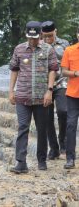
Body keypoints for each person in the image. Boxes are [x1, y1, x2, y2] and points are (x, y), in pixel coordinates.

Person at [9, 21, 58, 173]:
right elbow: (14, 70)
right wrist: (11, 90)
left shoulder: (48, 49)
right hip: (22, 96)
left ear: (40, 35)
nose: (33, 41)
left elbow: (52, 70)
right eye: (30, 38)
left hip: (41, 97)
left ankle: (42, 160)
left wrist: (49, 90)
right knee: (23, 127)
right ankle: (21, 162)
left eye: (35, 38)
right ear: (26, 35)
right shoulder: (19, 49)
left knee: (42, 129)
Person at [41, 21, 69, 159]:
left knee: (63, 111)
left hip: (61, 83)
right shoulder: (38, 45)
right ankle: (54, 148)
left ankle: (63, 142)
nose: (47, 39)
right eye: (45, 36)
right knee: (46, 118)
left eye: (50, 36)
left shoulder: (64, 44)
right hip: (44, 85)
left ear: (55, 32)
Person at [61, 28, 79, 169]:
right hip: (73, 94)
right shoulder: (69, 50)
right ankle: (70, 158)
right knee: (71, 125)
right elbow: (64, 71)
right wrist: (76, 73)